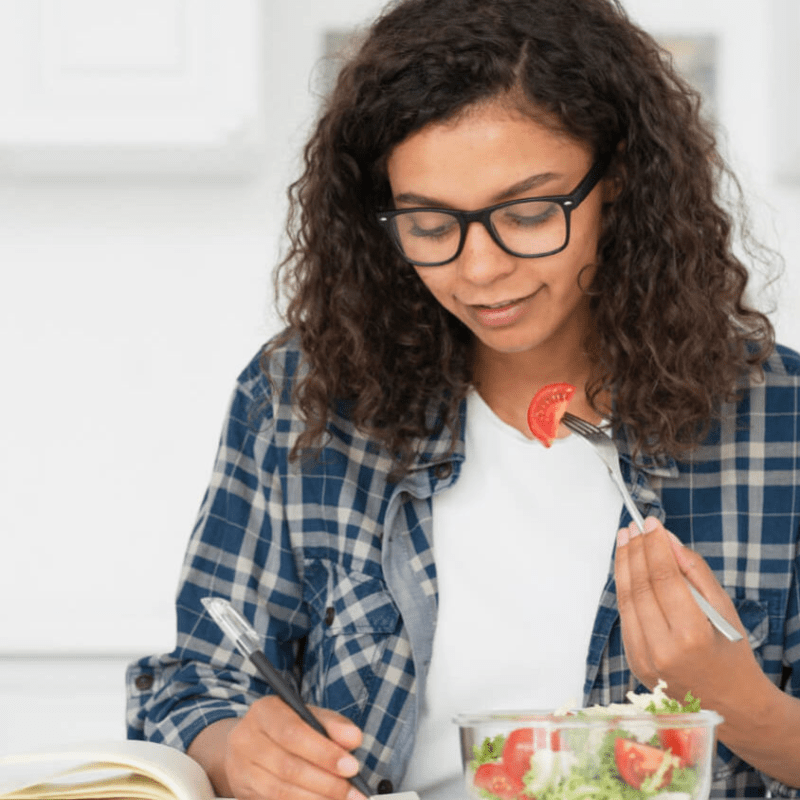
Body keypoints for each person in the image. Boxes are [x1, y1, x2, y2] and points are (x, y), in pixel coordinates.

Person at [126, 0, 800, 797]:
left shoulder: (778, 423)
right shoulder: (301, 397)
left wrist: (734, 699)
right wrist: (234, 746)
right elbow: (191, 682)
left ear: (617, 180)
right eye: (429, 223)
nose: (478, 270)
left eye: (526, 212)